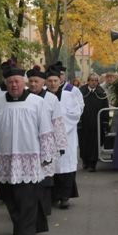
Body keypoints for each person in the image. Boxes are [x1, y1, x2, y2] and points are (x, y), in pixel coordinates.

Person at [0, 63, 57, 235]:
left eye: (17, 82)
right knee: (10, 197)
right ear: (6, 83)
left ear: (23, 83)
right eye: (10, 82)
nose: (14, 85)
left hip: (30, 155)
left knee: (27, 196)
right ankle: (22, 226)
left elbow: (45, 129)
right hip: (6, 156)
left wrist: (47, 153)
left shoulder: (37, 102)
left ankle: (23, 232)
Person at [25, 66, 68, 219]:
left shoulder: (51, 99)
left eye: (36, 81)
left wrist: (60, 144)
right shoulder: (24, 97)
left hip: (46, 143)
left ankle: (44, 209)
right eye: (30, 81)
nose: (33, 84)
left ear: (43, 82)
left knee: (45, 178)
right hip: (28, 143)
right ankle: (30, 209)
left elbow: (58, 122)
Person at [47, 62, 84, 209]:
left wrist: (58, 126)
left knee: (65, 166)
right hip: (48, 137)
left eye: (55, 80)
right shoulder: (42, 96)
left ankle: (64, 196)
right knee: (51, 167)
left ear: (60, 80)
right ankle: (52, 196)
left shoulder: (70, 94)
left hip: (67, 136)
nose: (52, 84)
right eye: (50, 81)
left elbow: (75, 114)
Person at [79, 73, 109, 172]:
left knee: (95, 143)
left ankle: (93, 163)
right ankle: (85, 161)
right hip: (84, 122)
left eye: (96, 80)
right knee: (84, 143)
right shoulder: (81, 91)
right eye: (92, 80)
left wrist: (105, 122)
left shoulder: (101, 92)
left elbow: (105, 107)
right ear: (88, 81)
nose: (94, 82)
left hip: (96, 122)